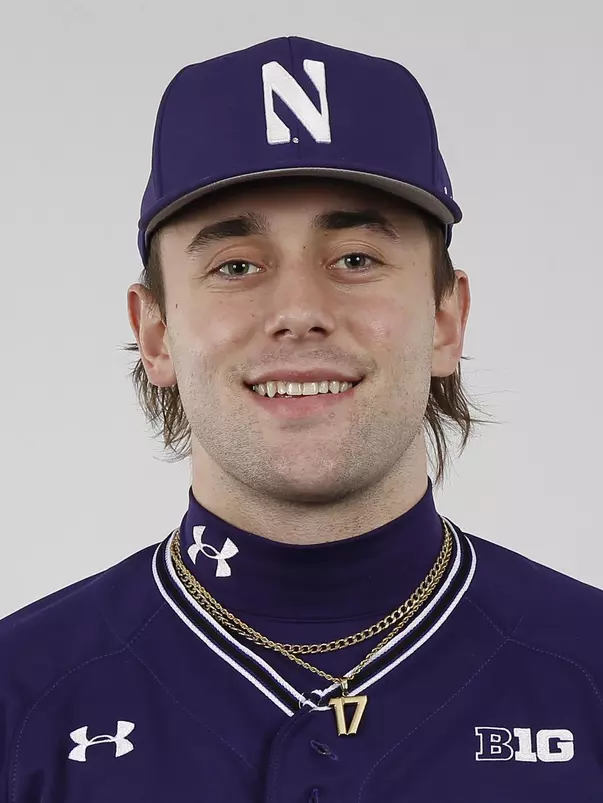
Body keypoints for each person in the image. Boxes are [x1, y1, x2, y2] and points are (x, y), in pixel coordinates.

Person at [1, 35, 602, 803]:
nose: (299, 313)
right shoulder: (20, 699)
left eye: (354, 258)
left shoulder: (586, 668)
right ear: (155, 333)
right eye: (236, 265)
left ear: (447, 317)